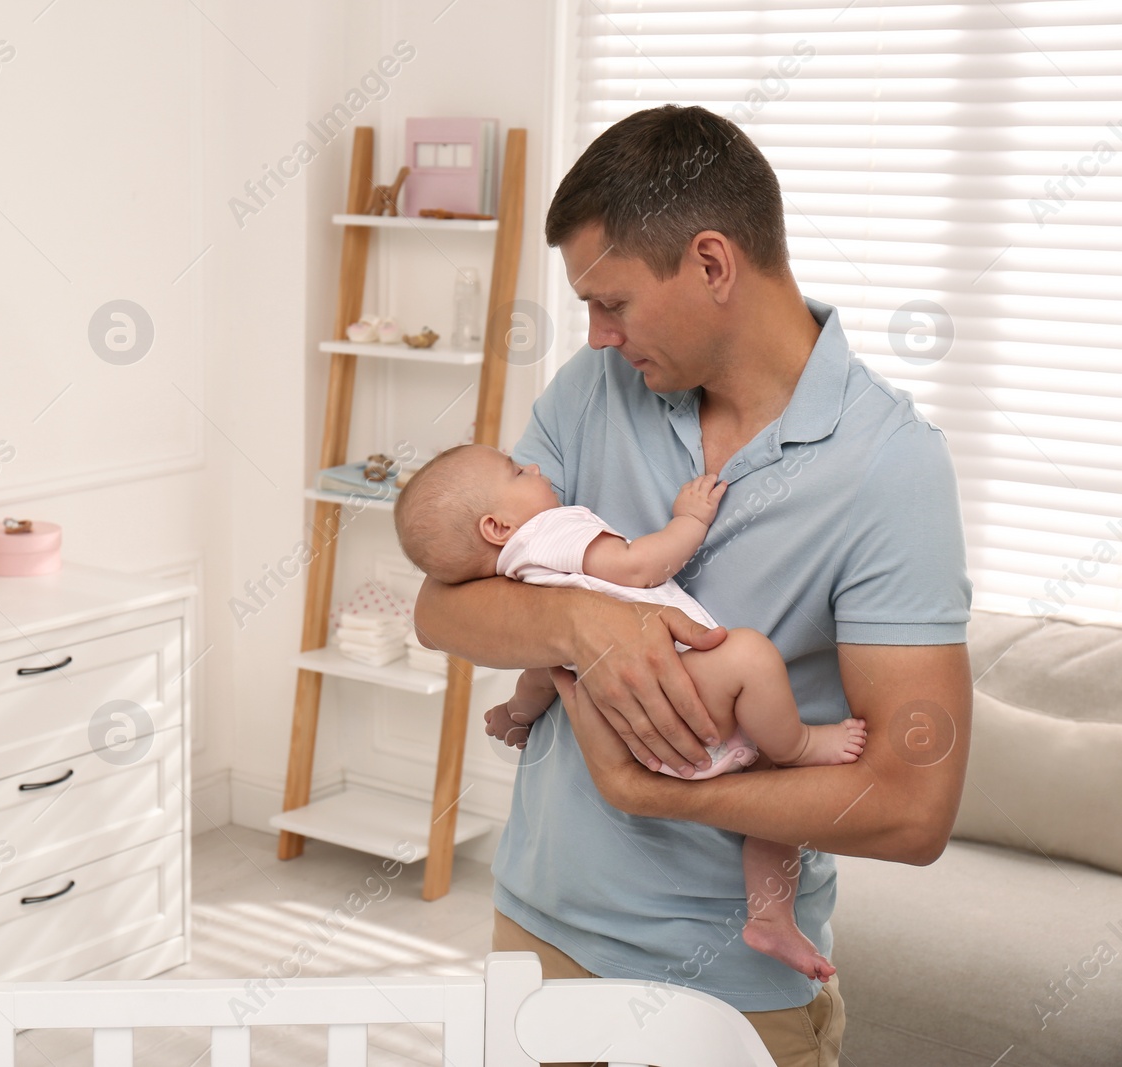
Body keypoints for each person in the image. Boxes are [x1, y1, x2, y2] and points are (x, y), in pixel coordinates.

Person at [412, 105, 973, 1067]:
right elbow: (442, 606)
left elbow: (913, 811)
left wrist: (658, 796)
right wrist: (585, 622)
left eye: (613, 302)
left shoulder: (891, 467)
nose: (593, 336)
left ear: (712, 264)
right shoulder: (596, 391)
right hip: (534, 941)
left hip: (727, 1000)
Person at [395, 442, 865, 981]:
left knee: (772, 808)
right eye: (516, 472)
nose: (535, 468)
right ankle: (801, 751)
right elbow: (639, 567)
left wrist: (516, 716)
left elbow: (542, 674)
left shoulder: (520, 578)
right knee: (751, 659)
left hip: (633, 739)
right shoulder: (553, 531)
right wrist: (688, 519)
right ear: (498, 528)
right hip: (686, 692)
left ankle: (769, 920)